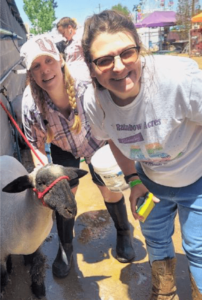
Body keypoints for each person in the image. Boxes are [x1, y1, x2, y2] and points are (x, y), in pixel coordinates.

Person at [82, 10, 202, 300]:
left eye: (127, 52)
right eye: (104, 60)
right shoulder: (94, 102)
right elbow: (111, 139)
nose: (119, 67)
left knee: (197, 247)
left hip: (197, 180)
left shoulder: (178, 81)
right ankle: (165, 292)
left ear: (140, 48)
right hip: (150, 181)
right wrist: (134, 180)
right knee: (156, 240)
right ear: (92, 67)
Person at [20, 34, 135, 279]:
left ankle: (124, 231)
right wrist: (47, 180)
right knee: (63, 193)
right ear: (30, 74)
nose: (45, 70)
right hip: (62, 146)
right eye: (36, 66)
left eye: (48, 61)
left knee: (107, 188)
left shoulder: (87, 81)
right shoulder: (31, 103)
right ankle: (65, 247)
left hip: (97, 141)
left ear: (60, 59)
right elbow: (37, 147)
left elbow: (116, 109)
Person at [56, 17, 91, 83]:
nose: (63, 36)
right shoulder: (70, 42)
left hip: (82, 77)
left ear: (69, 28)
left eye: (63, 33)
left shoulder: (80, 39)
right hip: (72, 78)